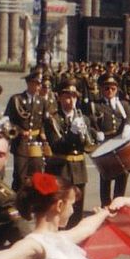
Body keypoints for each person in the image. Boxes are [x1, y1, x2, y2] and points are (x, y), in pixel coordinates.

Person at [44, 80, 92, 226]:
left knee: (76, 212)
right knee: (59, 209)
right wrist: (72, 133)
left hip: (78, 170)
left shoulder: (83, 118)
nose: (71, 101)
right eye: (67, 97)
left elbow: (87, 145)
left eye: (74, 97)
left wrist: (93, 136)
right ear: (59, 97)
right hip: (61, 169)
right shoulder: (52, 119)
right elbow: (57, 146)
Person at [90, 73, 130, 207]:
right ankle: (105, 205)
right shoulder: (95, 106)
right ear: (101, 89)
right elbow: (90, 123)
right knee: (106, 177)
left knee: (122, 176)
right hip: (105, 144)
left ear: (117, 89)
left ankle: (117, 205)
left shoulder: (123, 104)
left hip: (120, 143)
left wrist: (128, 125)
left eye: (113, 88)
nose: (109, 91)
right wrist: (96, 133)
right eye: (106, 88)